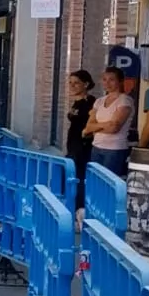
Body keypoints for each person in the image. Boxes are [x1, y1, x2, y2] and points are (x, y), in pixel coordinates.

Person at [88, 67, 135, 179]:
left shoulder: (124, 100)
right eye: (104, 79)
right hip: (96, 146)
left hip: (114, 149)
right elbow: (88, 127)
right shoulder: (99, 101)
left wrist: (97, 127)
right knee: (95, 180)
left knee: (109, 182)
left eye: (111, 79)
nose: (107, 83)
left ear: (120, 81)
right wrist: (105, 125)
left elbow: (114, 128)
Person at [64, 69, 95, 205]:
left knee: (80, 176)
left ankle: (80, 206)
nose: (72, 86)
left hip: (83, 145)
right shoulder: (76, 102)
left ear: (86, 84)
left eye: (76, 83)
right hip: (73, 144)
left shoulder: (91, 102)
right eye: (70, 83)